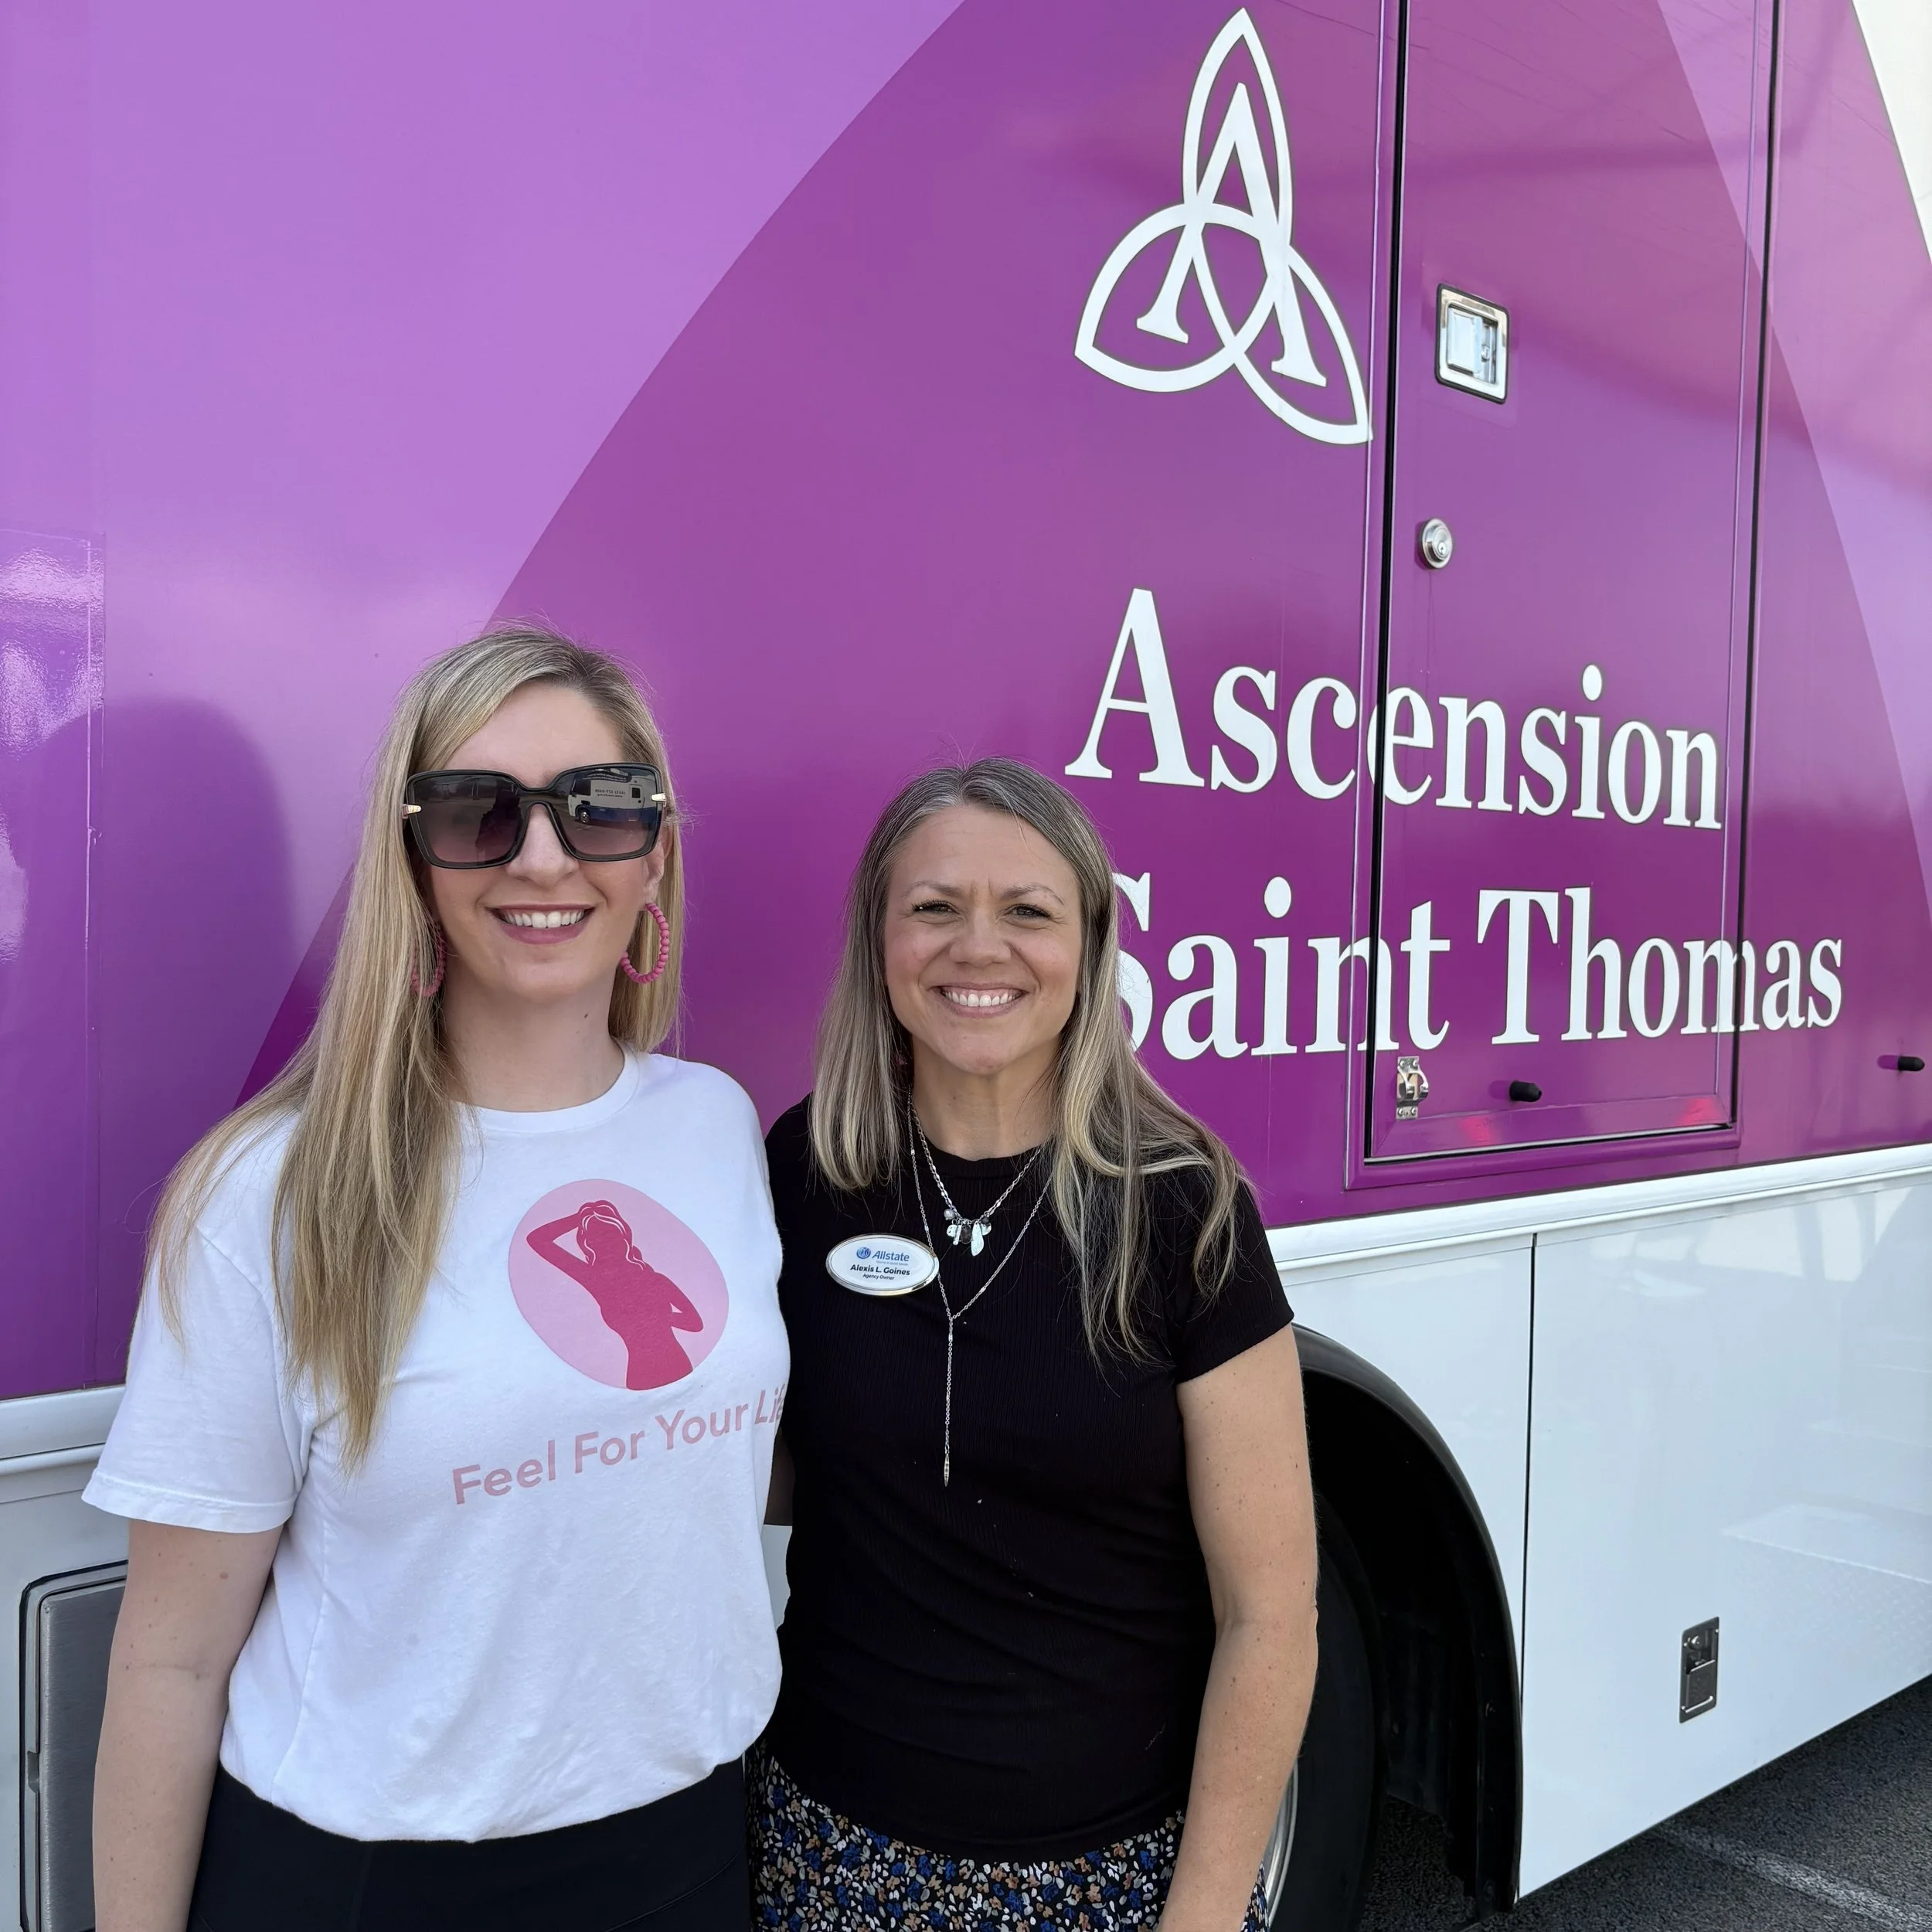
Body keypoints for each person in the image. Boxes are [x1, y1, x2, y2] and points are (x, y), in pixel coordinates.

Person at [87, 628, 787, 1932]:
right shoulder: (274, 1191)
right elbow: (173, 1661)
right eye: (478, 813)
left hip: (688, 1849)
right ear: (410, 858)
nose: (543, 856)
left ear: (655, 854)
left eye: (602, 807)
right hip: (375, 1882)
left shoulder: (716, 1126)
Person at [755, 757, 1318, 1932]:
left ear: (1091, 948)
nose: (980, 947)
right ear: (879, 939)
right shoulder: (808, 1169)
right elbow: (769, 1463)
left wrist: (1206, 1912)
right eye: (934, 907)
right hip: (825, 1850)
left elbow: (1272, 1615)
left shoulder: (1185, 1207)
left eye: (1028, 912)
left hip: (1103, 1877)